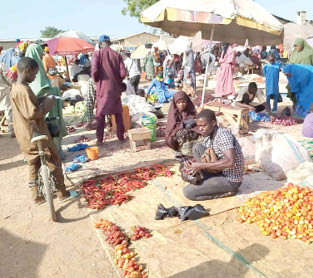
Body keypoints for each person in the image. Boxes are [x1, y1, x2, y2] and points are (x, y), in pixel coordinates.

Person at [10, 57, 72, 203]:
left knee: (33, 161)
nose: (35, 77)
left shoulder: (16, 87)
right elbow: (32, 113)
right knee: (52, 157)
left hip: (24, 134)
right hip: (35, 131)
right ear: (28, 71)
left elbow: (27, 105)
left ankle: (36, 195)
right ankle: (61, 192)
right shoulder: (23, 90)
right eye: (35, 74)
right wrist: (48, 103)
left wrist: (40, 99)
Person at [183, 109, 244, 201]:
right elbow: (204, 155)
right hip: (220, 171)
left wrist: (200, 166)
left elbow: (230, 162)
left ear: (213, 123)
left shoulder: (223, 135)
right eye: (198, 126)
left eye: (203, 126)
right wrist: (191, 164)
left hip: (230, 179)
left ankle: (228, 191)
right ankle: (210, 180)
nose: (200, 129)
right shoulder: (209, 136)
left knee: (189, 192)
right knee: (197, 147)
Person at [25, 43, 67, 159]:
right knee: (51, 128)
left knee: (46, 130)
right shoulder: (35, 68)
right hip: (44, 104)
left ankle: (52, 153)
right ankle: (55, 153)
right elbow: (41, 88)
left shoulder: (28, 67)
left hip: (40, 104)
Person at [91, 35, 126, 145]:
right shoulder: (117, 55)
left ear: (100, 44)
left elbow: (94, 71)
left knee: (100, 114)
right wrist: (117, 81)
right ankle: (121, 137)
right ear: (109, 43)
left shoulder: (97, 54)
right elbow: (123, 73)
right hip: (115, 89)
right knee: (118, 113)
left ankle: (100, 139)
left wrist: (97, 80)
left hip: (102, 89)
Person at [287, 38, 313, 109]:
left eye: (298, 45)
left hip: (307, 78)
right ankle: (296, 107)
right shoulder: (294, 53)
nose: (297, 47)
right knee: (295, 92)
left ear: (302, 44)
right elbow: (290, 63)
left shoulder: (310, 53)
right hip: (295, 77)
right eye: (295, 46)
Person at [0, 66, 14, 137]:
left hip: (3, 90)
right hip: (3, 90)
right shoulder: (1, 65)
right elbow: (7, 77)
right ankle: (11, 130)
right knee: (8, 109)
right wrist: (12, 84)